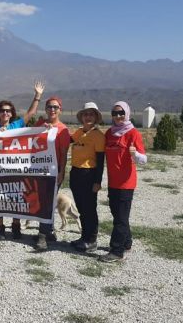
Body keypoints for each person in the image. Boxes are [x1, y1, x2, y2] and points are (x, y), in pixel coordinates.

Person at [0, 81, 44, 240]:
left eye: (8, 111)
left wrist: (37, 95)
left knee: (16, 197)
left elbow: (31, 114)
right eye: (2, 111)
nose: (5, 113)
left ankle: (16, 225)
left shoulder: (17, 125)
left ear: (11, 113)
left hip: (15, 169)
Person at [100, 101, 147, 263]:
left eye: (121, 113)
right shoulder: (110, 133)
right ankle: (127, 242)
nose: (118, 116)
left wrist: (135, 155)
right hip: (113, 182)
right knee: (118, 214)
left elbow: (144, 160)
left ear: (127, 113)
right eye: (114, 113)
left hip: (126, 183)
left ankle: (117, 250)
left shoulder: (133, 133)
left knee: (120, 217)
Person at [32, 96, 70, 251]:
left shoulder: (63, 130)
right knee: (44, 201)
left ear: (60, 110)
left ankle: (42, 235)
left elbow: (63, 153)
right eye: (49, 107)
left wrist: (61, 172)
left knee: (47, 201)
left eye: (55, 107)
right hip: (38, 169)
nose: (52, 110)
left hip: (53, 171)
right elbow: (28, 140)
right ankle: (49, 231)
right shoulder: (40, 125)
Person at [69, 102, 105, 253]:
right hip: (76, 173)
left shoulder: (98, 136)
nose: (88, 117)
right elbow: (66, 140)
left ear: (96, 117)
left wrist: (98, 181)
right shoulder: (78, 132)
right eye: (85, 114)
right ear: (81, 117)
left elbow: (101, 160)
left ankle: (92, 240)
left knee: (90, 208)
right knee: (82, 208)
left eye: (91, 114)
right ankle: (84, 236)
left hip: (89, 174)